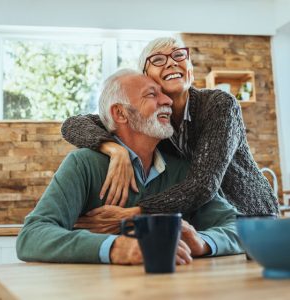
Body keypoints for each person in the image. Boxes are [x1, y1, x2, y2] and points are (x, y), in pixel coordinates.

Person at [16, 69, 243, 265]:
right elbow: (32, 236)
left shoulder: (182, 170)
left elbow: (239, 228)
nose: (168, 101)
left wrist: (202, 242)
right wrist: (118, 247)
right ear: (120, 113)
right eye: (152, 95)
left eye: (164, 94)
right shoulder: (83, 164)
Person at [61, 36, 279, 216]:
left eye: (178, 55)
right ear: (146, 78)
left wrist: (136, 212)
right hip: (205, 222)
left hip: (252, 217)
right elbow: (73, 124)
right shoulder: (148, 120)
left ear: (190, 70)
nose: (172, 62)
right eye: (157, 59)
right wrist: (113, 149)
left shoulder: (219, 105)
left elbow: (203, 185)